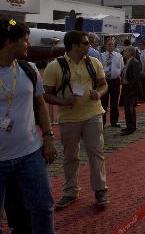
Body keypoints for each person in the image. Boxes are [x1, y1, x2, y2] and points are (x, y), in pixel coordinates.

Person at [0, 19, 57, 233]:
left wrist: (49, 136)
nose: (29, 45)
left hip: (29, 153)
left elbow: (40, 105)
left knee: (43, 207)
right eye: (25, 41)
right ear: (8, 42)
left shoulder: (29, 69)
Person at [43, 30, 109, 209]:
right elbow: (46, 95)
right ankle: (70, 191)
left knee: (96, 153)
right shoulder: (55, 66)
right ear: (74, 45)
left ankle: (100, 189)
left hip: (93, 113)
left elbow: (104, 85)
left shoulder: (94, 62)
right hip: (69, 118)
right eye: (86, 43)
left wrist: (99, 93)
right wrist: (64, 101)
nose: (89, 46)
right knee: (70, 157)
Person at [100, 39, 124, 127]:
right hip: (104, 81)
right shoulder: (101, 56)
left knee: (115, 102)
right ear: (105, 46)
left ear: (114, 46)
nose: (110, 46)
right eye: (109, 44)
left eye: (112, 44)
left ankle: (114, 121)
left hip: (115, 81)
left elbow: (121, 68)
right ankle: (102, 122)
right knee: (103, 102)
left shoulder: (119, 56)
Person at [120, 46, 141, 135]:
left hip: (131, 89)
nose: (124, 53)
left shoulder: (134, 62)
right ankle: (130, 125)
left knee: (129, 108)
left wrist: (129, 88)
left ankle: (131, 127)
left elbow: (136, 78)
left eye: (125, 51)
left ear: (130, 52)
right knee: (128, 108)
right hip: (126, 87)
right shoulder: (128, 61)